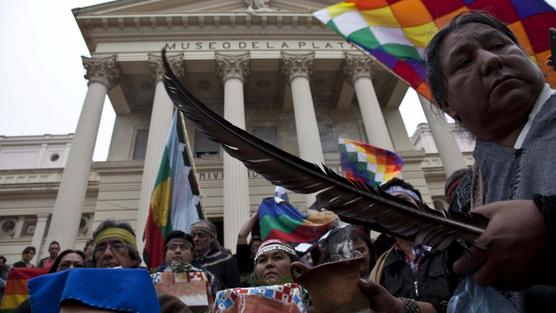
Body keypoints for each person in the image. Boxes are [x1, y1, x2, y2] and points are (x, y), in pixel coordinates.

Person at [423, 10, 556, 311]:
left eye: (498, 46)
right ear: (448, 106)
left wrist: (550, 226)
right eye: (464, 62)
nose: (490, 60)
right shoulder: (466, 196)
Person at [368, 178, 460, 313]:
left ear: (422, 209)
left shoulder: (453, 248)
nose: (397, 208)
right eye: (387, 206)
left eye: (403, 200)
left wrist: (408, 308)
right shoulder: (380, 269)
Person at [13, 249, 86, 313]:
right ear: (55, 270)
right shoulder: (36, 301)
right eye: (65, 265)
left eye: (78, 265)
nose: (71, 269)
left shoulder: (93, 301)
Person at [153, 230, 221, 296]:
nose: (178, 251)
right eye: (172, 247)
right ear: (165, 254)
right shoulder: (153, 277)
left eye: (183, 247)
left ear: (192, 255)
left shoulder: (208, 277)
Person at [191, 220, 240, 288]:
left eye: (201, 235)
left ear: (211, 238)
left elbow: (234, 287)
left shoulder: (225, 259)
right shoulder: (189, 261)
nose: (195, 239)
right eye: (193, 236)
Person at [236, 212, 262, 286]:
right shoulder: (244, 263)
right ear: (250, 252)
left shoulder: (270, 263)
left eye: (259, 246)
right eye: (255, 247)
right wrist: (255, 216)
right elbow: (241, 236)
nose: (257, 249)